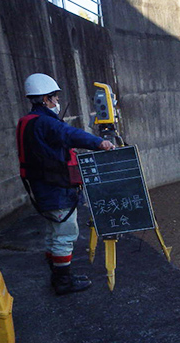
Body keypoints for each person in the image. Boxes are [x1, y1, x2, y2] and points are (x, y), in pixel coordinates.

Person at [17, 73, 114, 295]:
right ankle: (63, 282)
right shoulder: (45, 123)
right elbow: (70, 134)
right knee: (65, 233)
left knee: (53, 232)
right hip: (55, 187)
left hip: (43, 186)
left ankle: (59, 273)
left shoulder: (28, 122)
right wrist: (100, 143)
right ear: (44, 99)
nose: (57, 101)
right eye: (54, 98)